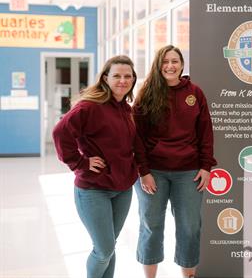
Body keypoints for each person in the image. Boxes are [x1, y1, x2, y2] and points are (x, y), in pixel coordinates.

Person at [133, 45, 217, 278]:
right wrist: (143, 171)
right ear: (158, 65)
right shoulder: (146, 93)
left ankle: (188, 275)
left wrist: (206, 166)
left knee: (190, 228)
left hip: (188, 172)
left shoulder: (195, 93)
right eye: (165, 62)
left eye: (175, 61)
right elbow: (136, 137)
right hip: (153, 171)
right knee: (151, 226)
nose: (170, 66)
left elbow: (206, 132)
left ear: (181, 65)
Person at [52, 55, 139, 278]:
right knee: (103, 250)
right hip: (93, 189)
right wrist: (81, 162)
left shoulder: (127, 110)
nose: (123, 80)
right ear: (105, 78)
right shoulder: (89, 107)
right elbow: (60, 133)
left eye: (128, 76)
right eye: (117, 75)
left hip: (122, 189)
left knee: (110, 247)